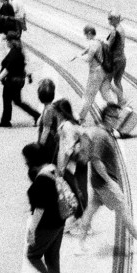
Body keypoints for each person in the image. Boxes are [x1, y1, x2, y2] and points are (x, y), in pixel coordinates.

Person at [80, 104, 137, 254]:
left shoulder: (104, 133)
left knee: (90, 210)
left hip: (99, 182)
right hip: (105, 183)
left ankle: (81, 244)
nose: (119, 121)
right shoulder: (101, 136)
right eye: (116, 118)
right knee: (124, 211)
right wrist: (110, 181)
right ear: (108, 118)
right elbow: (96, 160)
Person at [21, 142, 70, 273]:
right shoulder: (53, 170)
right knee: (52, 257)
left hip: (47, 224)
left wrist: (31, 230)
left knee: (33, 255)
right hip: (60, 221)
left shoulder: (41, 180)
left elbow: (39, 209)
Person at [54, 99, 88, 235]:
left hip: (72, 165)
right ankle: (79, 220)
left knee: (76, 191)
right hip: (76, 163)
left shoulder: (67, 126)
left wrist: (62, 167)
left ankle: (82, 222)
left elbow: (68, 148)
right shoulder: (70, 123)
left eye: (56, 112)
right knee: (77, 190)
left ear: (61, 112)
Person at [0, 32, 40, 128]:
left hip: (12, 81)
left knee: (7, 100)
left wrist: (0, 77)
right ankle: (36, 115)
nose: (6, 43)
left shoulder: (14, 53)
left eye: (7, 41)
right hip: (18, 80)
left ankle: (5, 121)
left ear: (11, 42)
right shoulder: (18, 51)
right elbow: (23, 65)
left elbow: (8, 68)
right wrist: (29, 75)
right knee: (17, 101)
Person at [73, 24, 112, 122]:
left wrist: (79, 56)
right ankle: (118, 112)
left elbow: (88, 59)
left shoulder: (93, 44)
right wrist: (82, 52)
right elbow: (88, 49)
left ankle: (81, 117)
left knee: (89, 96)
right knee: (106, 94)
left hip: (96, 73)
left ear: (89, 33)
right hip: (104, 72)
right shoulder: (98, 41)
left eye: (86, 34)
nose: (85, 36)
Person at [105, 10, 127, 103]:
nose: (108, 21)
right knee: (117, 81)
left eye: (110, 19)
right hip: (122, 59)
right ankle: (121, 102)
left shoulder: (114, 31)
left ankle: (113, 103)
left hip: (115, 60)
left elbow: (108, 46)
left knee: (106, 82)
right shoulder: (120, 28)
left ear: (114, 19)